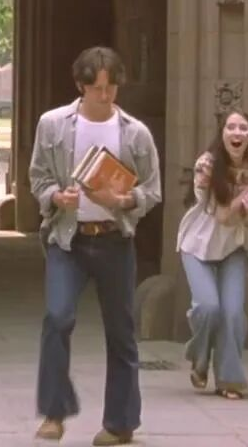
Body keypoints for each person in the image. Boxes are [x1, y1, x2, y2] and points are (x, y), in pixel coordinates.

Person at [28, 46, 161, 445]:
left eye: (111, 87)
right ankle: (54, 412)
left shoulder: (134, 132)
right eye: (97, 88)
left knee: (121, 330)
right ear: (81, 86)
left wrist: (123, 200)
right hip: (68, 238)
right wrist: (56, 197)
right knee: (57, 317)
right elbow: (38, 177)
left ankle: (121, 422)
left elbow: (152, 189)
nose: (105, 95)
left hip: (115, 238)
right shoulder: (53, 125)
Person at [177, 109, 248, 399]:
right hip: (198, 243)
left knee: (232, 313)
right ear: (222, 134)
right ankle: (200, 356)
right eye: (231, 127)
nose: (237, 133)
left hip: (234, 246)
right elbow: (223, 216)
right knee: (208, 307)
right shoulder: (206, 164)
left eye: (243, 128)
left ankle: (229, 379)